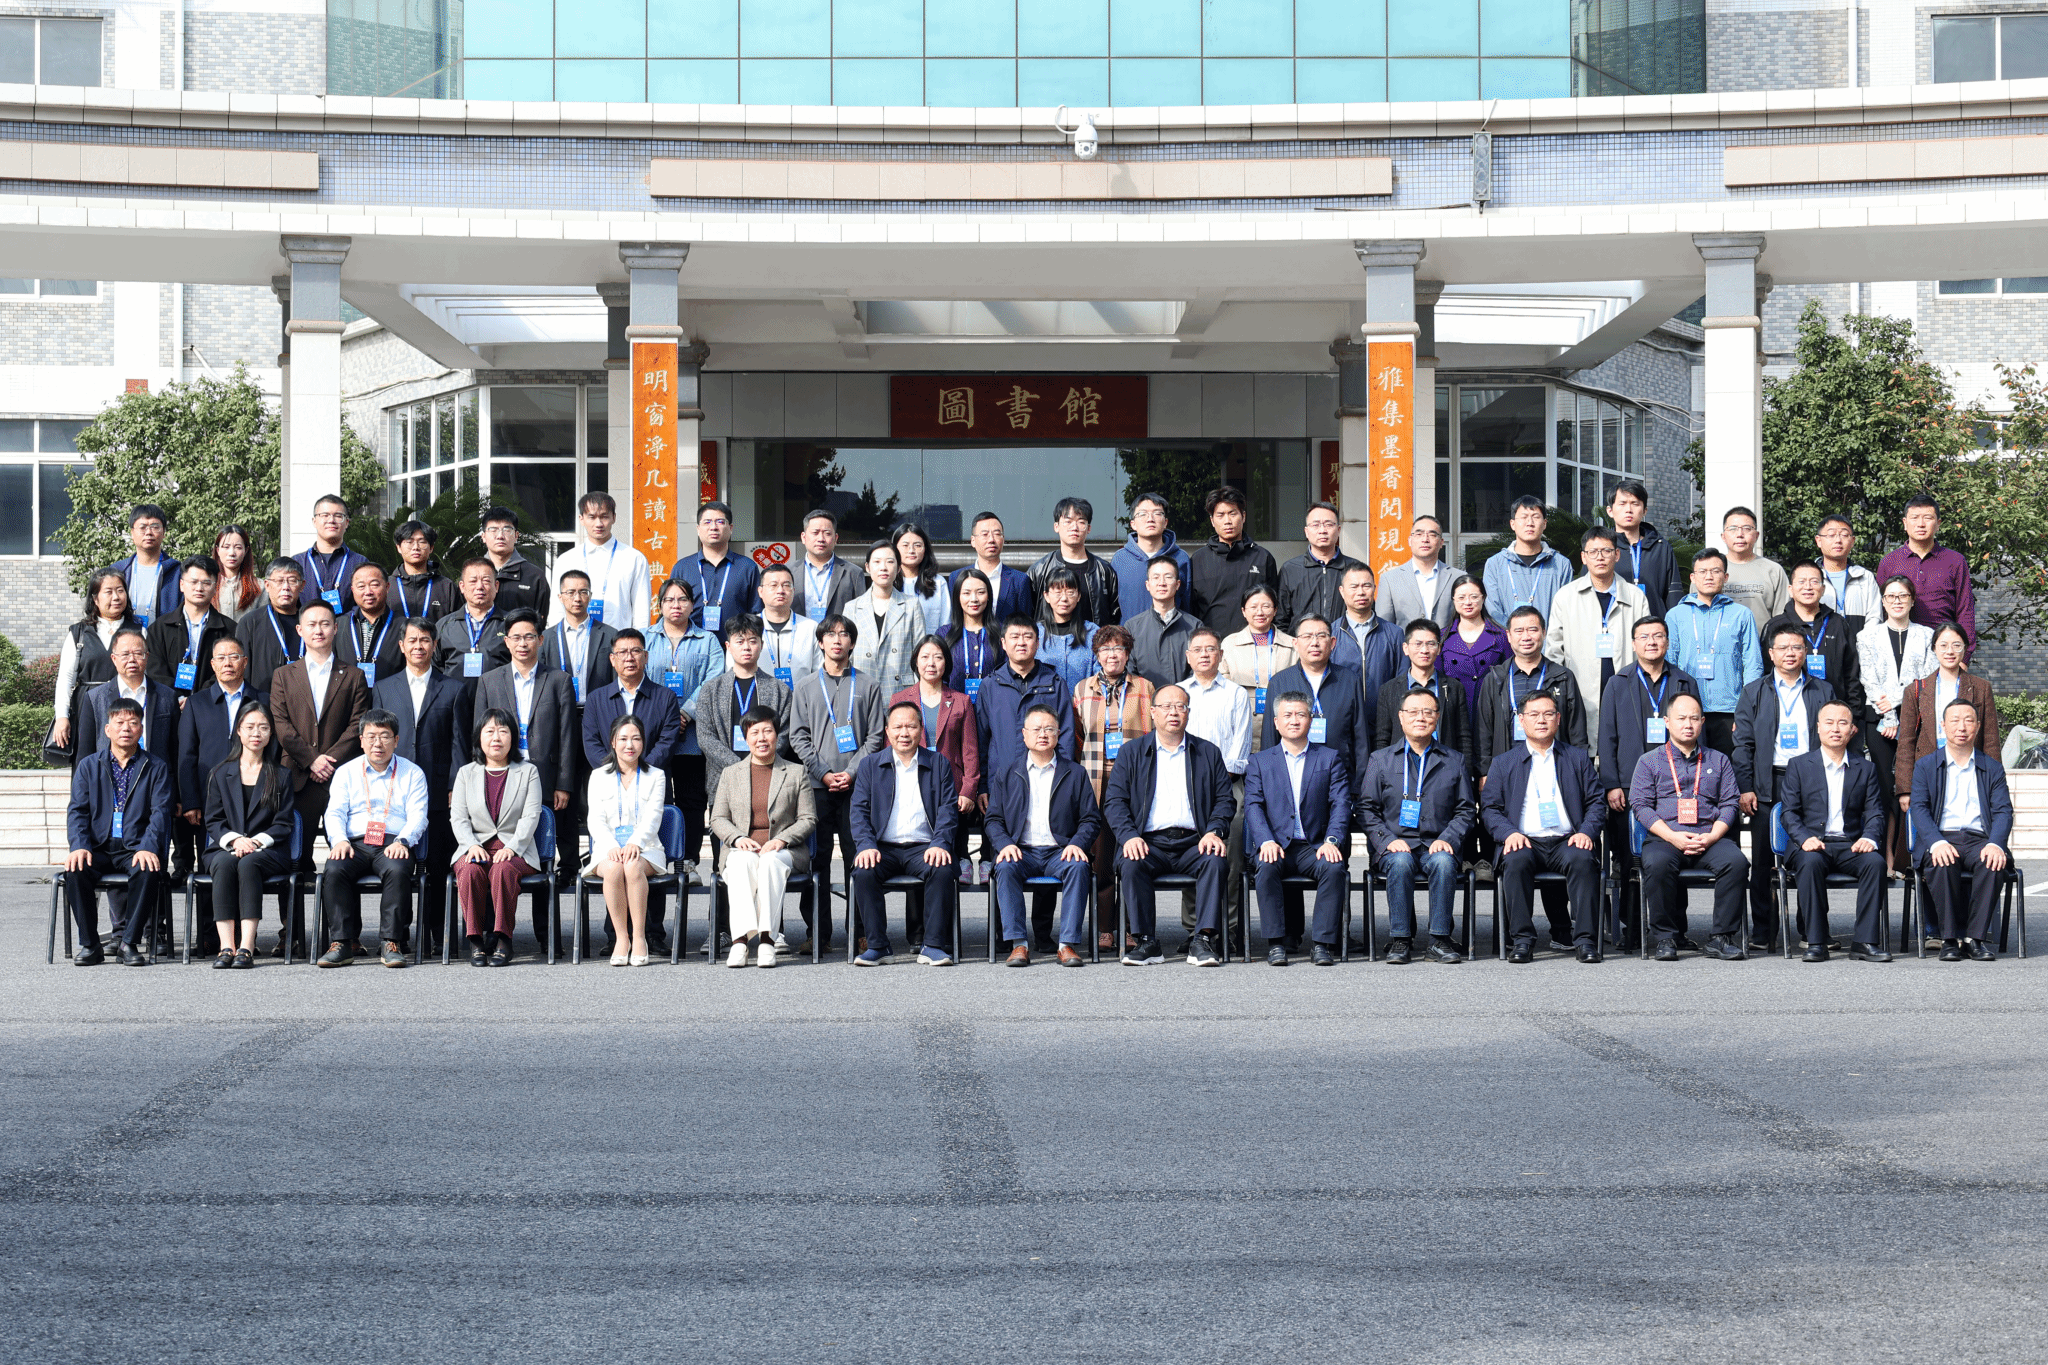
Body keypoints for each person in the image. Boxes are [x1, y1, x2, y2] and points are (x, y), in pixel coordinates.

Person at [1104, 685, 1233, 967]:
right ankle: (1146, 941)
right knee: (1130, 861)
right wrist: (1129, 836)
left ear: (1188, 712)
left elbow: (1225, 800)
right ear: (1153, 712)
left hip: (1194, 841)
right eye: (1166, 706)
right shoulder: (1131, 752)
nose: (1173, 712)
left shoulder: (1208, 752)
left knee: (1215, 860)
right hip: (1149, 842)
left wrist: (1214, 831)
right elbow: (1114, 802)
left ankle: (1202, 939)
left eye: (1180, 706)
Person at [1733, 621, 1838, 949]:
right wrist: (1746, 787)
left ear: (1805, 652)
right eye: (1783, 648)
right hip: (1769, 782)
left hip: (1811, 782)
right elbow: (1743, 745)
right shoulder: (1754, 691)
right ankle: (1763, 933)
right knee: (1763, 860)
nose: (1790, 653)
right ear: (1771, 653)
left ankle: (1812, 931)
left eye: (1796, 647)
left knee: (1811, 853)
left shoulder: (1823, 690)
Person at [1597, 617, 1700, 947]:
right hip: (1628, 786)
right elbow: (1606, 736)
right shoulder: (1618, 683)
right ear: (1633, 644)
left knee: (1675, 853)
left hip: (1676, 786)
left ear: (1667, 642)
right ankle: (1633, 930)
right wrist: (1611, 783)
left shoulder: (1684, 681)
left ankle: (1676, 931)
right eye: (1644, 637)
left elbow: (1697, 734)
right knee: (1630, 859)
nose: (1651, 642)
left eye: (1658, 636)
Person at [1482, 691, 1606, 963]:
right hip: (1525, 839)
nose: (1541, 720)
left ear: (1558, 719)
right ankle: (1522, 940)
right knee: (1514, 860)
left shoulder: (1576, 758)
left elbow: (1597, 801)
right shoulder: (1503, 763)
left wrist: (1586, 832)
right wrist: (1509, 833)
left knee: (1583, 859)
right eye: (1534, 714)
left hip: (1567, 840)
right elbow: (1489, 809)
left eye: (1548, 714)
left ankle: (1585, 941)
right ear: (1521, 720)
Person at [1357, 689, 1475, 965]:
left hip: (1437, 843)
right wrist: (1386, 840)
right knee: (1400, 862)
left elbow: (1466, 809)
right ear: (1401, 717)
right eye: (1413, 712)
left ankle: (1439, 940)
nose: (1420, 717)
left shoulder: (1454, 760)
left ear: (1437, 717)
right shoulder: (1380, 759)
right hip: (1395, 844)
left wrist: (1448, 838)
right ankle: (1400, 939)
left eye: (1427, 712)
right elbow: (1366, 808)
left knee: (1444, 862)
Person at [1628, 693, 1749, 961]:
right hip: (1665, 837)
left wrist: (1713, 836)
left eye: (1694, 718)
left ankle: (1721, 937)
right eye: (1681, 718)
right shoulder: (1649, 761)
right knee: (1657, 864)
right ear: (1667, 722)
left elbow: (1730, 803)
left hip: (1709, 837)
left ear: (1703, 722)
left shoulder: (1719, 760)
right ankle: (1666, 938)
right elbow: (1640, 806)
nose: (1688, 724)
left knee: (1737, 863)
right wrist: (1672, 836)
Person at [791, 615, 889, 945]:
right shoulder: (805, 686)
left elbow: (876, 736)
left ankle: (860, 932)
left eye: (844, 634)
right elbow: (798, 736)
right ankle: (817, 933)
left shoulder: (869, 685)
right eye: (830, 634)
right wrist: (823, 772)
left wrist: (851, 772)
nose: (837, 640)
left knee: (857, 857)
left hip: (856, 787)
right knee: (816, 861)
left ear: (852, 643)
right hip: (816, 787)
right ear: (820, 643)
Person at [375, 619, 471, 951]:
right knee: (399, 863)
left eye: (425, 640)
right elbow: (377, 741)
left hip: (439, 789)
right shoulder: (384, 688)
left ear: (434, 645)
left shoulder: (454, 688)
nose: (419, 646)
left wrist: (454, 785)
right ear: (402, 646)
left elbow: (460, 743)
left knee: (438, 865)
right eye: (412, 640)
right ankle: (399, 935)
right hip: (395, 790)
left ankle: (439, 935)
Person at [985, 703, 1101, 967]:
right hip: (1021, 850)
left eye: (1049, 729)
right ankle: (1018, 944)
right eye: (1036, 729)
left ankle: (1066, 944)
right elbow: (993, 819)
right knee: (1005, 866)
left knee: (1079, 866)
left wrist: (1076, 844)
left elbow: (1090, 818)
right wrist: (1005, 844)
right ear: (1024, 734)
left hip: (1059, 851)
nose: (1043, 734)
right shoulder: (1008, 773)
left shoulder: (1075, 773)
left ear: (1058, 734)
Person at [848, 701, 961, 966]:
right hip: (882, 847)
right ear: (887, 731)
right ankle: (878, 946)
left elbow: (948, 809)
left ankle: (933, 945)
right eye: (897, 727)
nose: (904, 733)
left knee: (942, 869)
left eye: (911, 726)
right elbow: (858, 810)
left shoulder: (938, 763)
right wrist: (865, 845)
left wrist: (940, 843)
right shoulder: (870, 765)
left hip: (924, 846)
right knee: (863, 871)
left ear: (921, 729)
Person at [63, 698, 175, 966]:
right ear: (107, 729)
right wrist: (79, 845)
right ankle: (90, 945)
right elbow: (77, 810)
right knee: (75, 869)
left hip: (135, 847)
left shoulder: (156, 767)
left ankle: (129, 943)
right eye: (120, 722)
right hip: (98, 846)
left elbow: (161, 812)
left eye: (133, 723)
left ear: (141, 729)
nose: (126, 728)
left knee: (148, 868)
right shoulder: (89, 765)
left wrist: (148, 846)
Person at [1244, 692, 1350, 967]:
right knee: (1266, 868)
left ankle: (1322, 944)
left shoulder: (1329, 758)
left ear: (1310, 720)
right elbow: (1253, 805)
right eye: (1288, 715)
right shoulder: (1260, 761)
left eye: (1301, 715)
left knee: (1333, 868)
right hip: (1276, 845)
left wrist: (1332, 840)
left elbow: (1340, 803)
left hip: (1313, 846)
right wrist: (1265, 840)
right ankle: (1276, 944)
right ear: (1276, 722)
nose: (1294, 721)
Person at [1780, 700, 1891, 962]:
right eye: (1829, 722)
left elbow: (1875, 812)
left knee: (1875, 863)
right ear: (1818, 727)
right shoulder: (1799, 765)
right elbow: (1788, 812)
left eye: (1843, 723)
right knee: (1810, 862)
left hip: (1849, 844)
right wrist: (1804, 839)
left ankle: (1864, 942)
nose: (1835, 729)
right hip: (1811, 844)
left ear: (1852, 730)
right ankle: (1816, 941)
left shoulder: (1865, 768)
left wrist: (1869, 837)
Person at [316, 708, 427, 967]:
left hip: (392, 842)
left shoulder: (412, 773)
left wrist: (403, 840)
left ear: (396, 740)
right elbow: (334, 811)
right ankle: (342, 943)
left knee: (397, 870)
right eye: (371, 736)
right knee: (334, 869)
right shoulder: (346, 772)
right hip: (353, 842)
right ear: (361, 740)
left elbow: (419, 815)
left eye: (385, 736)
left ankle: (391, 942)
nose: (378, 743)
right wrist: (339, 839)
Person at [271, 600, 371, 885]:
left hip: (340, 776)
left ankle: (338, 915)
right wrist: (311, 760)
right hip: (297, 776)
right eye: (312, 624)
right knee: (295, 859)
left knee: (346, 857)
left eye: (325, 624)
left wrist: (327, 761)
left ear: (335, 629)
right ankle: (292, 915)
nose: (319, 630)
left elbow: (357, 724)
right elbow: (281, 725)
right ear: (300, 630)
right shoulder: (283, 675)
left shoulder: (354, 675)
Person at [709, 705, 815, 968]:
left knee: (769, 862)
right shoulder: (730, 774)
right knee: (741, 861)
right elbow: (718, 818)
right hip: (742, 848)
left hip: (784, 850)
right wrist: (737, 838)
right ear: (746, 738)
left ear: (777, 735)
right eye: (755, 732)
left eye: (767, 731)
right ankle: (740, 941)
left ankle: (767, 940)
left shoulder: (795, 772)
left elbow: (808, 818)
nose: (761, 738)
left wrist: (781, 840)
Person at [1908, 698, 2013, 960]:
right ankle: (1949, 939)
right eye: (1954, 720)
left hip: (1980, 839)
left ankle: (1975, 939)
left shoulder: (1992, 767)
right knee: (1942, 862)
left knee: (1993, 862)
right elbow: (1918, 808)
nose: (1962, 727)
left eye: (1968, 720)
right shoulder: (1925, 765)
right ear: (1943, 725)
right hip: (1942, 837)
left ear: (1977, 725)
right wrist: (1935, 842)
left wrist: (1996, 843)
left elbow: (2003, 811)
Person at [178, 637, 267, 947]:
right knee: (212, 865)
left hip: (252, 798)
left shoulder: (262, 700)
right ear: (212, 664)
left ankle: (243, 937)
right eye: (221, 658)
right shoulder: (197, 703)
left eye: (234, 656)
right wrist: (191, 801)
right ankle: (208, 936)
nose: (228, 663)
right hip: (210, 801)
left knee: (246, 864)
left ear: (245, 662)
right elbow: (186, 755)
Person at [1073, 626, 1152, 948]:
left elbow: (1151, 735)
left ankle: (1133, 928)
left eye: (1118, 648)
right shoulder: (1082, 689)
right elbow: (1077, 738)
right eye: (1105, 649)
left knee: (1133, 856)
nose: (1112, 655)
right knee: (1102, 859)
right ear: (1097, 655)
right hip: (1096, 782)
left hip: (1134, 783)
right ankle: (1105, 928)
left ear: (1128, 653)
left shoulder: (1145, 688)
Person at [199, 699, 294, 968]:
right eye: (250, 727)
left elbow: (284, 822)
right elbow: (213, 820)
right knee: (224, 863)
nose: (256, 733)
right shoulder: (220, 773)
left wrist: (254, 842)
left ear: (270, 733)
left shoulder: (281, 775)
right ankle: (226, 946)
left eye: (263, 727)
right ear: (238, 731)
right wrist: (235, 840)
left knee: (249, 863)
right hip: (226, 847)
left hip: (268, 850)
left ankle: (246, 946)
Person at [449, 707, 544, 967]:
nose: (496, 738)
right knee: (469, 870)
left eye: (503, 731)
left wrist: (512, 847)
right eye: (489, 731)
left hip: (516, 850)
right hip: (476, 847)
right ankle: (476, 941)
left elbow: (531, 816)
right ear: (479, 737)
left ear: (513, 737)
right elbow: (458, 817)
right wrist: (471, 845)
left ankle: (503, 939)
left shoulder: (528, 772)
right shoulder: (466, 773)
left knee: (503, 869)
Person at [1856, 576, 1936, 870]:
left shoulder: (1927, 635)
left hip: (1917, 717)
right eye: (1891, 596)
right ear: (1883, 601)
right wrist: (1889, 715)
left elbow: (1927, 677)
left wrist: (1897, 705)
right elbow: (1868, 678)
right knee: (1885, 786)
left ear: (1912, 600)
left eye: (1903, 596)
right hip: (1878, 719)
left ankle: (1909, 855)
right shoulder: (1867, 636)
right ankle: (1886, 856)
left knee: (1912, 785)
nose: (1897, 601)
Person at [1544, 526, 1648, 749]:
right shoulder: (1566, 597)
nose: (1600, 557)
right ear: (1583, 557)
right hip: (1580, 691)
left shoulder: (1636, 597)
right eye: (1593, 552)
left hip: (1627, 690)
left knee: (1623, 749)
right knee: (1583, 751)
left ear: (1617, 555)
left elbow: (1647, 648)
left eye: (1606, 551)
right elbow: (1554, 651)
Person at [645, 579, 722, 870]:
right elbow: (639, 677)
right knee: (658, 799)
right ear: (660, 605)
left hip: (693, 736)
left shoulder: (708, 641)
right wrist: (665, 718)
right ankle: (658, 859)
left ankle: (688, 862)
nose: (675, 605)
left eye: (682, 600)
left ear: (692, 605)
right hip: (655, 735)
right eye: (669, 600)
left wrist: (686, 713)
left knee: (692, 801)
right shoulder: (645, 638)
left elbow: (713, 680)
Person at [1181, 626, 1253, 937]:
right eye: (1198, 650)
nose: (1204, 654)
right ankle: (1193, 929)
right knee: (1192, 853)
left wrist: (1217, 780)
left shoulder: (1236, 693)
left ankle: (1230, 928)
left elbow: (1241, 746)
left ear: (1221, 655)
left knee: (1231, 858)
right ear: (1188, 656)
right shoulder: (1179, 693)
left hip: (1229, 786)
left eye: (1211, 649)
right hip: (1187, 789)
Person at [683, 615, 792, 821]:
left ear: (761, 645)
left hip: (767, 778)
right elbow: (706, 738)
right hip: (723, 780)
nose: (746, 647)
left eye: (753, 641)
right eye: (740, 641)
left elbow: (783, 735)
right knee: (724, 839)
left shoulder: (779, 690)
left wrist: (757, 765)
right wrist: (739, 769)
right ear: (728, 646)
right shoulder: (711, 690)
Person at [471, 608, 576, 816]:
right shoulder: (488, 681)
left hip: (545, 775)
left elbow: (567, 736)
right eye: (516, 638)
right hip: (501, 772)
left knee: (544, 829)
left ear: (540, 640)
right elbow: (479, 735)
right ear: (507, 641)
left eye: (529, 637)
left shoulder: (559, 681)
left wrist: (563, 784)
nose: (523, 644)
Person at [585, 713, 668, 966]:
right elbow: (595, 819)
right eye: (623, 739)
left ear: (643, 742)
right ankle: (622, 938)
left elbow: (654, 816)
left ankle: (640, 937)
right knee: (613, 868)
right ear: (612, 742)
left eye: (636, 738)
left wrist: (635, 843)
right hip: (608, 849)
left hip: (646, 848)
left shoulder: (656, 775)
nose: (629, 745)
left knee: (632, 866)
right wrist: (612, 846)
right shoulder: (598, 776)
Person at [892, 636, 980, 869]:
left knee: (951, 855)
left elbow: (970, 750)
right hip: (911, 784)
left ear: (946, 663)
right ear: (916, 662)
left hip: (952, 787)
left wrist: (968, 790)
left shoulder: (961, 701)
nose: (931, 663)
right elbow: (890, 748)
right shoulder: (900, 700)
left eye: (938, 657)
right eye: (925, 657)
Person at [1893, 621, 1999, 813]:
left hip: (1969, 771)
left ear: (1964, 648)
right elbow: (1906, 741)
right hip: (1929, 772)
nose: (1950, 651)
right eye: (1943, 645)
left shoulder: (1981, 688)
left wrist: (1995, 785)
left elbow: (1990, 739)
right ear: (1934, 648)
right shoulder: (1916, 690)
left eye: (1956, 645)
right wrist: (1905, 788)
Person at [1665, 548, 1763, 754]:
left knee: (1729, 767)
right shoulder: (1675, 615)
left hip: (1730, 710)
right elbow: (1669, 662)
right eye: (1702, 571)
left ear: (1725, 577)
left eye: (1715, 571)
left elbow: (1752, 664)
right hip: (1688, 710)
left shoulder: (1741, 615)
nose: (1709, 576)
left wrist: (1746, 710)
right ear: (1693, 577)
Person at [1475, 607, 1587, 778]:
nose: (1526, 637)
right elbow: (1484, 731)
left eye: (1532, 630)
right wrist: (1484, 772)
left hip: (1554, 769)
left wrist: (1579, 771)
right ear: (1509, 636)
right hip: (1507, 770)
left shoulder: (1563, 677)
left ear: (1544, 632)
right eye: (1519, 631)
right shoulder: (1495, 679)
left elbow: (1577, 730)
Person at [1259, 615, 1368, 787]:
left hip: (1339, 779)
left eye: (1321, 636)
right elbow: (1269, 738)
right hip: (1290, 780)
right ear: (1295, 643)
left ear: (1332, 642)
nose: (1314, 643)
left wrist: (1359, 787)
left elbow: (1360, 738)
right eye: (1307, 636)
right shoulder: (1279, 682)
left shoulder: (1349, 680)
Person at [1765, 561, 1867, 735]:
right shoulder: (1776, 626)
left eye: (1814, 581)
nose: (1808, 587)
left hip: (1835, 717)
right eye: (1801, 581)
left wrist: (1854, 715)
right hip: (1789, 715)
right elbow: (1766, 673)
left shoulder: (1838, 624)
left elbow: (1852, 672)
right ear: (1790, 589)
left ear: (1823, 588)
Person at [976, 615, 1077, 783]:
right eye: (1014, 637)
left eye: (1028, 637)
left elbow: (1066, 735)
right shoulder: (990, 685)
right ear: (1003, 643)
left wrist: (1062, 777)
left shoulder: (1055, 683)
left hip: (1046, 778)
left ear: (1037, 643)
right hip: (1002, 781)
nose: (1021, 642)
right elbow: (981, 739)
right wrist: (983, 785)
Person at [1876, 494, 1976, 656]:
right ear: (1905, 523)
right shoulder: (1889, 562)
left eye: (1928, 518)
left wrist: (1964, 657)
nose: (1921, 524)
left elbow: (1965, 610)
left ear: (1938, 524)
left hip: (1944, 651)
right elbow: (1880, 610)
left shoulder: (1955, 561)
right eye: (1914, 518)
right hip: (1900, 650)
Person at [53, 570, 137, 760]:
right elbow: (66, 678)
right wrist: (62, 716)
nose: (116, 597)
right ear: (95, 599)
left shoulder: (138, 631)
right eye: (108, 592)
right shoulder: (79, 633)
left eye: (120, 590)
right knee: (86, 761)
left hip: (124, 706)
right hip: (86, 707)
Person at [1370, 619, 1475, 764]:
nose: (1424, 650)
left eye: (1431, 644)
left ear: (1439, 648)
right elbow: (1382, 738)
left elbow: (1463, 737)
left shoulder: (1454, 688)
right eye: (1418, 644)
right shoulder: (1389, 690)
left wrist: (1465, 771)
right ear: (1406, 648)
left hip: (1444, 766)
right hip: (1402, 767)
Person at [551, 491, 651, 631]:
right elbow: (557, 608)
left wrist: (638, 639)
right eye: (592, 517)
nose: (598, 524)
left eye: (604, 517)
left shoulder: (633, 558)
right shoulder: (566, 560)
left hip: (619, 639)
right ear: (581, 519)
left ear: (614, 518)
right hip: (576, 637)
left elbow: (641, 610)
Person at [1188, 485, 1278, 636]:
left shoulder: (1263, 558)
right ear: (1212, 521)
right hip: (1211, 643)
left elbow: (1274, 606)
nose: (1227, 521)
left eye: (1232, 513)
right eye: (1220, 515)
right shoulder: (1198, 560)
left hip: (1254, 642)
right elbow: (1191, 608)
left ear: (1243, 516)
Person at [79, 629, 178, 763]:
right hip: (110, 774)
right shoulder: (94, 698)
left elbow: (176, 748)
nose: (132, 659)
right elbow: (85, 753)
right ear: (114, 659)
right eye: (125, 654)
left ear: (147, 656)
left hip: (155, 773)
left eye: (138, 654)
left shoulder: (167, 696)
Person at [144, 558, 234, 699]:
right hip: (170, 705)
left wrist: (198, 701)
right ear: (181, 585)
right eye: (193, 582)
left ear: (216, 588)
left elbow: (227, 670)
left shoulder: (229, 629)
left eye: (206, 583)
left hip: (211, 704)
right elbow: (155, 670)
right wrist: (176, 698)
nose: (199, 588)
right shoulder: (159, 628)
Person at [670, 500, 761, 639]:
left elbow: (756, 613)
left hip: (735, 647)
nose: (713, 527)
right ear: (698, 529)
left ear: (730, 528)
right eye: (707, 522)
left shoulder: (747, 567)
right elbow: (670, 610)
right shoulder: (682, 568)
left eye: (720, 522)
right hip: (690, 645)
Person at [1025, 497, 1120, 628]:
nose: (1074, 527)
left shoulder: (1104, 570)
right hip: (1049, 640)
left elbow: (1115, 616)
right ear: (1056, 526)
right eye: (1068, 521)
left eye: (1081, 522)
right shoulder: (1039, 570)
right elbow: (1027, 616)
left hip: (1095, 640)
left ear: (1089, 528)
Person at [1481, 497, 1576, 626]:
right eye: (1523, 517)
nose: (1530, 523)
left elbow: (1566, 610)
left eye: (1536, 517)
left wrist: (1547, 637)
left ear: (1544, 524)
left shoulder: (1561, 564)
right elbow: (1493, 611)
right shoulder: (1495, 564)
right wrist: (1514, 634)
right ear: (1512, 524)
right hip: (1507, 638)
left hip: (1549, 639)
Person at [1219, 585, 1295, 744]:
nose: (1260, 612)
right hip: (1240, 725)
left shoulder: (1292, 645)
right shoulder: (1229, 644)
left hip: (1282, 727)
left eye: (1266, 606)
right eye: (1253, 607)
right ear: (1243, 611)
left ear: (1275, 610)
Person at [1328, 564, 1403, 723]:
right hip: (1343, 721)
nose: (1361, 592)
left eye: (1366, 586)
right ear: (1342, 591)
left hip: (1383, 721)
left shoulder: (1394, 633)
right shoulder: (1330, 634)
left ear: (1374, 588)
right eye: (1354, 586)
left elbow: (1402, 681)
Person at [845, 540, 920, 696]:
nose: (883, 567)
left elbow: (920, 653)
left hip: (901, 691)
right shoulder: (852, 608)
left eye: (890, 562)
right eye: (877, 562)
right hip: (861, 690)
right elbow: (846, 655)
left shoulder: (911, 605)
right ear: (867, 567)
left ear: (898, 568)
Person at [1276, 502, 1359, 631]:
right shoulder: (1290, 569)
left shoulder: (1355, 569)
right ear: (1306, 531)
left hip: (1344, 642)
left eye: (1328, 524)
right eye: (1315, 525)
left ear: (1338, 530)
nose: (1322, 531)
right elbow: (1280, 619)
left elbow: (1366, 612)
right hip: (1302, 643)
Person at [1111, 490, 1193, 622]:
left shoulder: (1181, 558)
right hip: (1129, 633)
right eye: (1142, 514)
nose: (1150, 519)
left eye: (1157, 513)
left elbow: (1187, 603)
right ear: (1133, 524)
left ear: (1165, 522)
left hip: (1172, 632)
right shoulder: (1120, 559)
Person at [1606, 480, 1683, 616]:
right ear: (1610, 511)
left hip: (1654, 625)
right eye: (1622, 504)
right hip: (1614, 624)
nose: (1629, 510)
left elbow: (1673, 596)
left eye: (1635, 504)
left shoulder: (1661, 548)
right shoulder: (1601, 549)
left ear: (1644, 511)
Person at [1440, 576, 1510, 723]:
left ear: (1483, 598)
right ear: (1453, 600)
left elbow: (1509, 678)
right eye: (1461, 597)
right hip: (1454, 713)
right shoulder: (1442, 637)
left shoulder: (1501, 636)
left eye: (1474, 596)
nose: (1468, 602)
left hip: (1490, 712)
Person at [544, 568, 618, 706]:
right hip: (559, 712)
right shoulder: (546, 638)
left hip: (599, 709)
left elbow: (616, 680)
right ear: (560, 597)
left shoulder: (610, 635)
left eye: (583, 592)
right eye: (570, 592)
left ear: (590, 596)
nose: (577, 598)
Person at [233, 558, 305, 695]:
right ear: (267, 585)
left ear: (302, 586)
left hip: (305, 700)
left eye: (292, 581)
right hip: (263, 701)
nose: (285, 587)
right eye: (279, 581)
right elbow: (241, 672)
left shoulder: (311, 622)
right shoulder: (250, 623)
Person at [949, 511, 1033, 623]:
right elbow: (954, 618)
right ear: (973, 541)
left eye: (997, 534)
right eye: (985, 534)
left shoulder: (1020, 580)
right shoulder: (956, 577)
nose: (991, 540)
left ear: (1003, 539)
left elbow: (1026, 624)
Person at [1376, 515, 1457, 631]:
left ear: (1441, 542)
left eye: (1432, 535)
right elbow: (1384, 626)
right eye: (1419, 534)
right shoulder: (1390, 579)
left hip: (1446, 642)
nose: (1425, 539)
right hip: (1404, 642)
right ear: (1410, 541)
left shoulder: (1457, 577)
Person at [1125, 557, 1196, 689]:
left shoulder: (1194, 626)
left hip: (1184, 699)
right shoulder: (1132, 627)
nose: (1162, 583)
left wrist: (1179, 695)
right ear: (1148, 585)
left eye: (1168, 577)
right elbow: (1129, 671)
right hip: (1145, 699)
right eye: (1156, 577)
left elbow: (1198, 670)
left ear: (1177, 584)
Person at [294, 494, 369, 617]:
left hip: (348, 628)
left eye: (338, 516)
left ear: (347, 523)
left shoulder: (360, 562)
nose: (331, 520)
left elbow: (366, 603)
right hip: (307, 628)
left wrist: (343, 623)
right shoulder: (298, 562)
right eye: (325, 515)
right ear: (314, 521)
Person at [436, 558, 511, 679]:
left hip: (498, 691)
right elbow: (434, 668)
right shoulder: (445, 625)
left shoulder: (511, 624)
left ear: (496, 586)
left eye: (486, 581)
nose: (479, 586)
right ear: (462, 586)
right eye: (473, 581)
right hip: (455, 691)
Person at [107, 503, 180, 627]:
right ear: (132, 533)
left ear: (164, 532)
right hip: (124, 637)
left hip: (164, 638)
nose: (148, 532)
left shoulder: (177, 572)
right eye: (142, 527)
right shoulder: (117, 571)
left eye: (155, 527)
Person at [1718, 506, 1789, 631]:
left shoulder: (1774, 570)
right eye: (1733, 529)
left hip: (1763, 642)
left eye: (1747, 529)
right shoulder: (1710, 570)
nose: (1740, 534)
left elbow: (1782, 618)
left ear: (1756, 535)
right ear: (1723, 536)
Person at [334, 562, 404, 689]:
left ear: (387, 587)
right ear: (353, 590)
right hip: (348, 697)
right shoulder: (338, 625)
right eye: (361, 586)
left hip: (390, 696)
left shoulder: (404, 626)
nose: (368, 592)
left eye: (374, 585)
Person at [791, 508, 867, 621]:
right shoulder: (789, 572)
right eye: (815, 533)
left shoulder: (853, 573)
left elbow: (862, 614)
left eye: (827, 533)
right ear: (803, 537)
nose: (821, 539)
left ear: (836, 538)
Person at [1034, 565, 1099, 690]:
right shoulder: (1035, 633)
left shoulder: (1093, 632)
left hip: (1085, 700)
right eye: (1058, 592)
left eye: (1070, 592)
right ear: (1046, 596)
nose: (1064, 598)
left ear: (1078, 596)